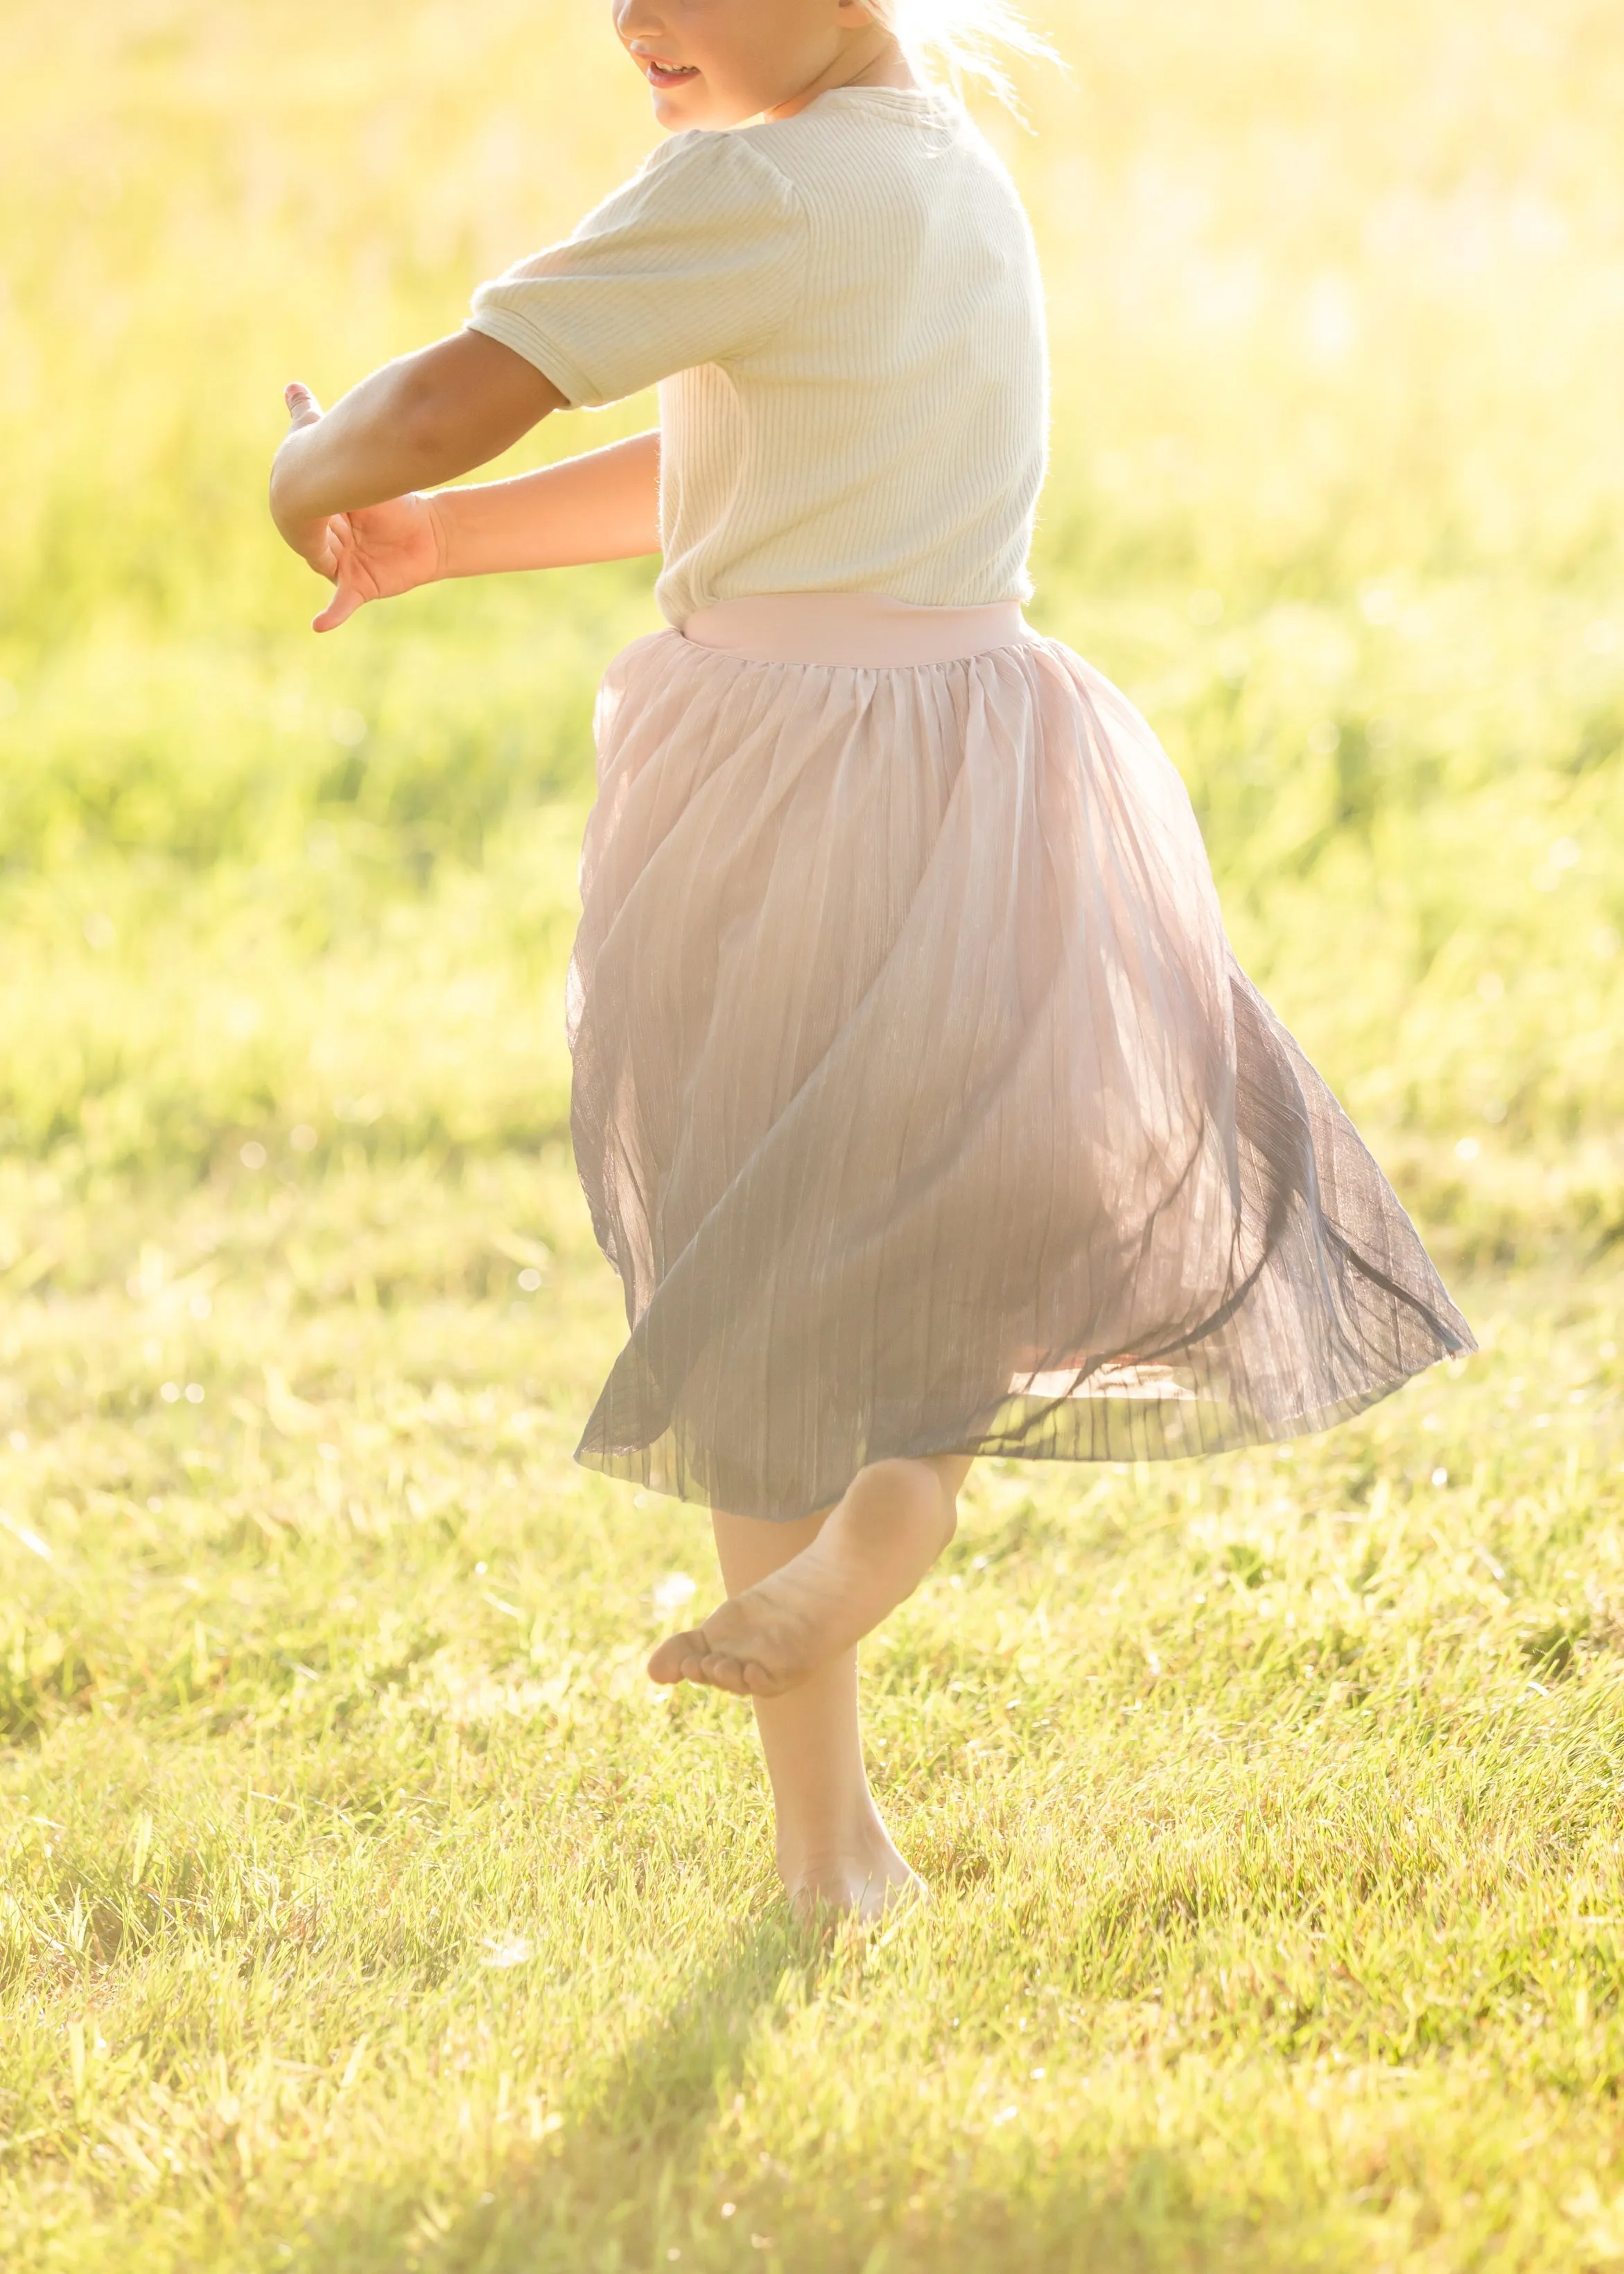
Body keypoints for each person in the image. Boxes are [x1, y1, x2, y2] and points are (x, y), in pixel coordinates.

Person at [268, 0, 1472, 1920]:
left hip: (770, 783)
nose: (634, 21)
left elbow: (447, 396)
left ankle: (825, 1839)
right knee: (925, 1226)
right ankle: (895, 1521)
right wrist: (442, 547)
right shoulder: (937, 174)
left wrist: (317, 475)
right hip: (982, 754)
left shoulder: (742, 185)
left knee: (751, 1254)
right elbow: (732, 467)